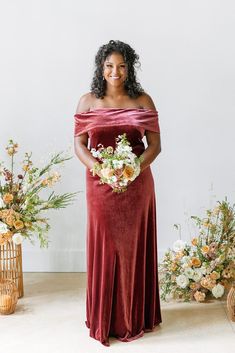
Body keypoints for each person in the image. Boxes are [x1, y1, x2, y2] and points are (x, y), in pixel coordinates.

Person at [74, 39, 162, 346]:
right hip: (99, 186)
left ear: (130, 68)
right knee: (105, 246)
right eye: (110, 65)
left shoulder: (142, 100)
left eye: (122, 66)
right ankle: (104, 318)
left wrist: (131, 169)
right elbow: (79, 145)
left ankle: (134, 318)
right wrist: (100, 170)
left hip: (136, 184)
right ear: (101, 67)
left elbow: (155, 146)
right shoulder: (87, 101)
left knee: (131, 248)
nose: (116, 71)